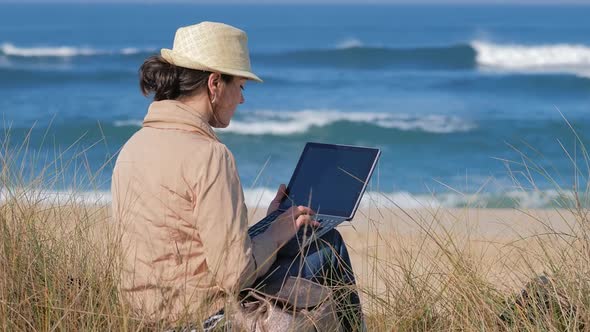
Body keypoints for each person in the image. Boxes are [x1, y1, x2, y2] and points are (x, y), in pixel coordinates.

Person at [111, 21, 363, 330]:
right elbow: (233, 275)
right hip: (201, 319)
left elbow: (193, 249)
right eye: (240, 87)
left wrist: (271, 221)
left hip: (142, 317)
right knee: (329, 244)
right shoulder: (210, 155)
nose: (242, 99)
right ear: (215, 84)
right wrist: (278, 232)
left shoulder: (133, 147)